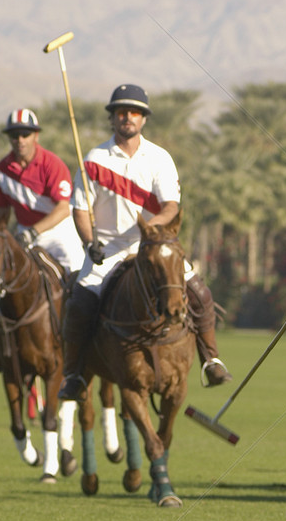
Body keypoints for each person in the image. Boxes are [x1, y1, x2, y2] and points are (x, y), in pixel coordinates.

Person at [58, 84, 231, 401]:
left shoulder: (159, 158)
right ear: (112, 118)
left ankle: (211, 360)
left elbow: (171, 207)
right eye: (121, 112)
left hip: (154, 248)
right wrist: (89, 243)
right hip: (108, 252)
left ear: (143, 119)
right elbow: (80, 211)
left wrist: (150, 230)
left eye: (134, 112)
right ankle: (73, 375)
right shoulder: (94, 160)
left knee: (200, 294)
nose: (127, 117)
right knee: (79, 305)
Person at [0, 109, 84, 271]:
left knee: (77, 269)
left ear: (36, 136)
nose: (20, 140)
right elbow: (2, 210)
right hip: (23, 233)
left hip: (59, 231)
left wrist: (33, 232)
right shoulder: (1, 170)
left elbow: (63, 209)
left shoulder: (52, 164)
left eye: (25, 134)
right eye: (14, 135)